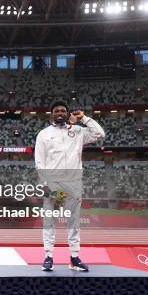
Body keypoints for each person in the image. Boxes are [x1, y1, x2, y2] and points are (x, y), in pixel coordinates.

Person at [35, 101, 105, 272]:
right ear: (51, 114)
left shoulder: (78, 131)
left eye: (63, 111)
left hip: (73, 185)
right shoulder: (44, 134)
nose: (60, 113)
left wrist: (84, 118)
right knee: (50, 220)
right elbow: (39, 161)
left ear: (67, 114)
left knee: (73, 221)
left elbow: (99, 134)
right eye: (56, 110)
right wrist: (45, 184)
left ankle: (74, 257)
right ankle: (48, 256)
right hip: (54, 185)